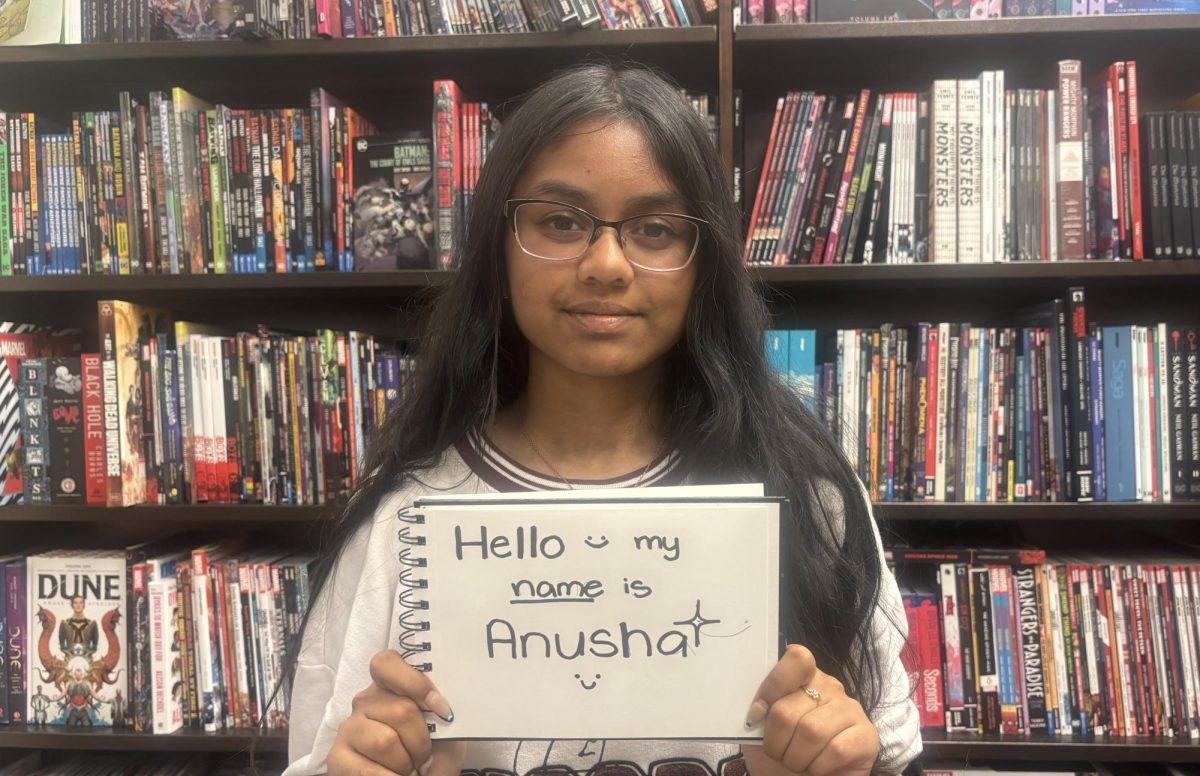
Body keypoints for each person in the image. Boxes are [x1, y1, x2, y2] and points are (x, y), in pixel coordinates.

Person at [284, 64, 920, 776]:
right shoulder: (404, 525)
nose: (607, 264)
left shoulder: (809, 497)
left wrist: (841, 761)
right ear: (499, 242)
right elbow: (322, 751)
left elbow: (889, 748)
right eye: (560, 221)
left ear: (703, 259)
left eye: (655, 229)